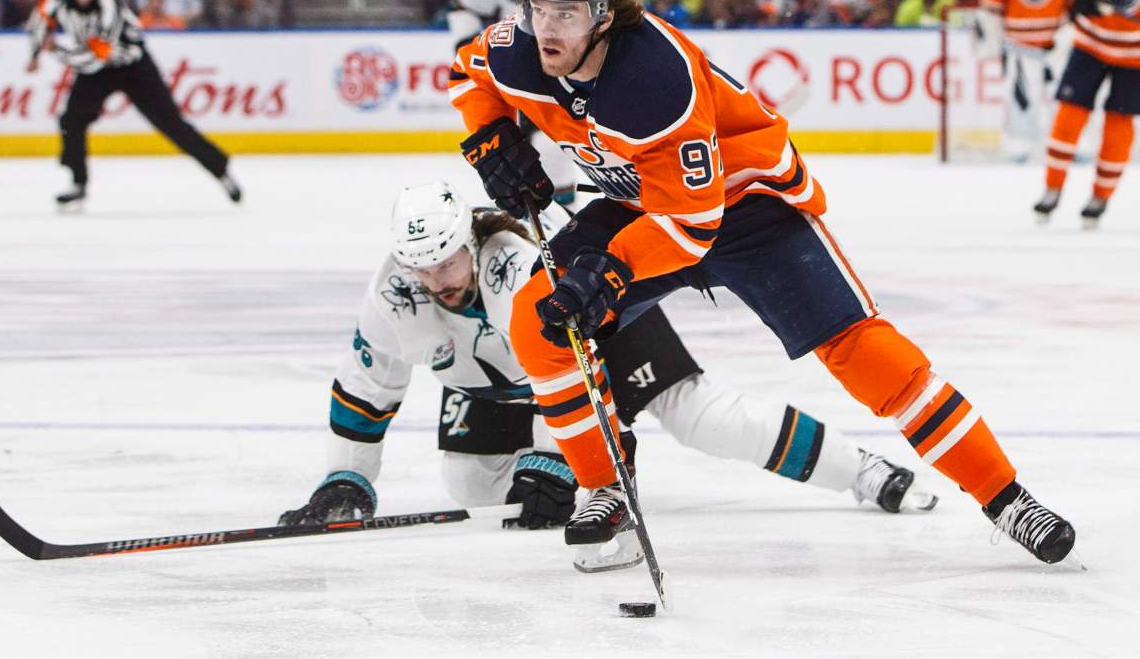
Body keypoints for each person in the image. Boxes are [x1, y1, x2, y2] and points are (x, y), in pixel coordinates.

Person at [452, 0, 1076, 566]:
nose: (547, 28)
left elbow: (692, 224)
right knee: (540, 323)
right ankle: (603, 486)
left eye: (568, 13)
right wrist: (489, 138)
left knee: (865, 353)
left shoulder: (655, 82)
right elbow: (465, 70)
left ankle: (1008, 500)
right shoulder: (519, 44)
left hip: (746, 207)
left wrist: (610, 272)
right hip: (644, 199)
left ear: (606, 13)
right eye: (538, 9)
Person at [280, 181, 936, 570]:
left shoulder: (515, 268)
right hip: (501, 379)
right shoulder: (396, 293)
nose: (436, 281)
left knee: (700, 417)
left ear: (470, 240)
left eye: (447, 262)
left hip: (593, 329)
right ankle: (594, 462)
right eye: (420, 266)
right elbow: (367, 388)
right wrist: (348, 478)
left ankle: (864, 471)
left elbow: (563, 371)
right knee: (472, 486)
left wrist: (556, 457)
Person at [26, 0, 241, 208]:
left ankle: (221, 171)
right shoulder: (57, 0)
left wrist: (57, 51)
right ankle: (78, 182)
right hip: (95, 69)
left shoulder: (108, 1)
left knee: (171, 123)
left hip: (133, 67)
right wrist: (36, 53)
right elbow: (38, 24)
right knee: (71, 119)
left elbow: (98, 54)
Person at [448, 0, 578, 207]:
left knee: (555, 153)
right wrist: (471, 52)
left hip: (565, 74)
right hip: (512, 76)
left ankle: (565, 226)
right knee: (508, 164)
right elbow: (464, 7)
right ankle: (530, 224)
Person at [1034, 0, 1140, 228]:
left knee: (1119, 124)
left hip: (1136, 56)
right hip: (1092, 42)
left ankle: (1101, 196)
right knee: (1070, 115)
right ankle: (1052, 188)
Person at [979, 0, 1066, 162]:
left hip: (1056, 46)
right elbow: (990, 8)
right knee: (1020, 100)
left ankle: (1069, 142)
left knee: (1065, 98)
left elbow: (1075, 2)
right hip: (1019, 47)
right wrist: (991, 39)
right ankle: (1020, 142)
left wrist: (1069, 31)